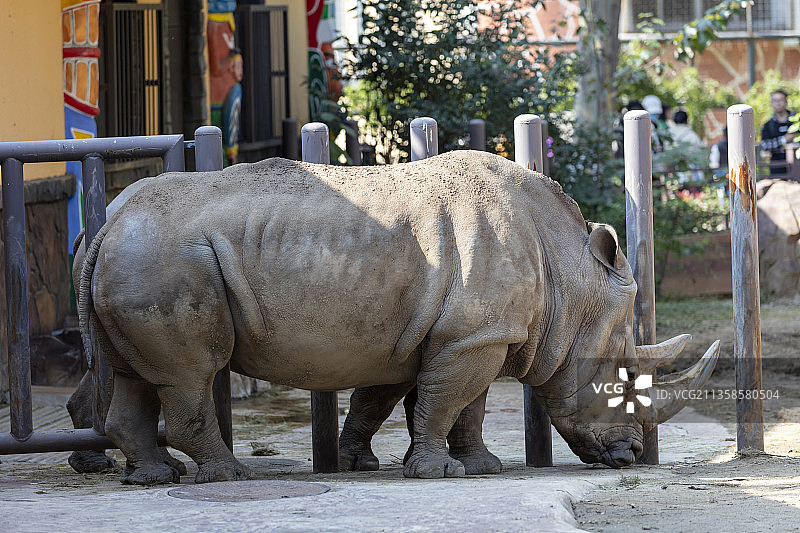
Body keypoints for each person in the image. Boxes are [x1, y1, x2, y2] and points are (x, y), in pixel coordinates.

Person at [761, 89, 795, 176]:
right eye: (775, 100)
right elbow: (764, 146)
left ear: (786, 101)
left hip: (796, 166)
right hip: (777, 168)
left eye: (781, 100)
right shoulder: (768, 125)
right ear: (771, 103)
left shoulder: (796, 121)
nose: (778, 103)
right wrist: (783, 140)